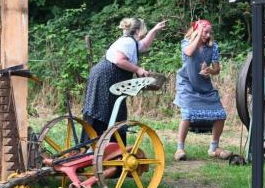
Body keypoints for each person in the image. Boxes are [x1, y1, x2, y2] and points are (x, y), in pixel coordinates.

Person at [83, 17, 166, 142]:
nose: (144, 33)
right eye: (143, 30)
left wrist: (154, 30)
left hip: (107, 76)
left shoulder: (130, 41)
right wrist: (137, 69)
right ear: (137, 31)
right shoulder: (128, 42)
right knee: (103, 111)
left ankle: (108, 149)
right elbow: (119, 60)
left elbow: (143, 46)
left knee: (113, 111)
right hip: (106, 77)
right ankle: (99, 147)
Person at [173, 19, 232, 161]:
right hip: (187, 84)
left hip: (204, 86)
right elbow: (188, 52)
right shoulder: (186, 43)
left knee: (220, 115)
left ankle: (214, 148)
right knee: (187, 115)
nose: (208, 35)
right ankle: (180, 149)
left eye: (210, 32)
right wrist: (198, 35)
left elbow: (217, 69)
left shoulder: (213, 47)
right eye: (205, 31)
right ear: (197, 31)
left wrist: (209, 70)